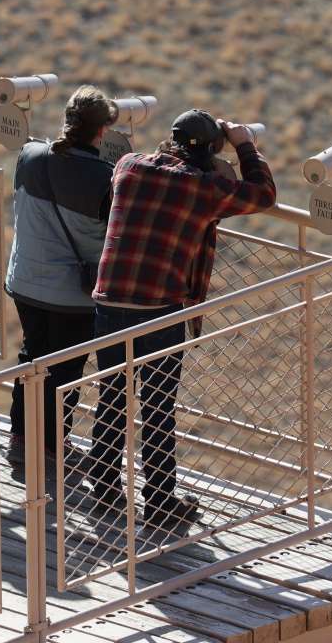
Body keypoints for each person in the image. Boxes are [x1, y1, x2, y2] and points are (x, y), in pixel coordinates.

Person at [87, 109, 276, 529]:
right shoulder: (203, 187)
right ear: (209, 153)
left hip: (109, 299)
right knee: (157, 405)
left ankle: (103, 485)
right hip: (157, 308)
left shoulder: (128, 165)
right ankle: (157, 503)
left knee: (112, 393)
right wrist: (245, 145)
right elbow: (263, 194)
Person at [4, 85, 118, 469]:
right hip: (73, 293)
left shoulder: (30, 155)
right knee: (65, 369)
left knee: (32, 355)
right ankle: (51, 445)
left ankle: (20, 433)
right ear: (101, 133)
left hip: (24, 280)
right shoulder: (107, 179)